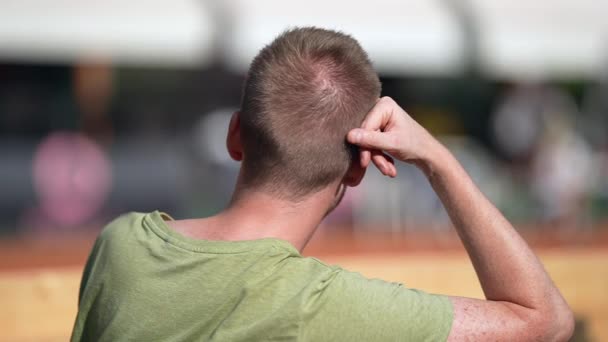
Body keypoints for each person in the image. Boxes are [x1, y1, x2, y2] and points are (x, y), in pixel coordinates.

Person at [71, 27, 574, 341]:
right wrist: (437, 158)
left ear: (234, 136)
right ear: (359, 168)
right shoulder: (326, 308)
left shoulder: (122, 246)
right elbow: (545, 321)